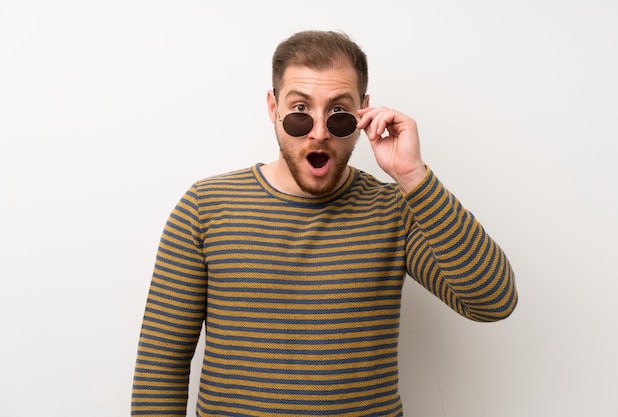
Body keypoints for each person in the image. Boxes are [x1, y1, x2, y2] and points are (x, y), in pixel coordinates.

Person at [131, 30, 518, 417]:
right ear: (273, 107)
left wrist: (413, 175)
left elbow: (492, 301)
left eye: (338, 113)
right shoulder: (205, 208)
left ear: (363, 112)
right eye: (300, 110)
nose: (318, 132)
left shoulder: (394, 210)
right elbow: (160, 368)